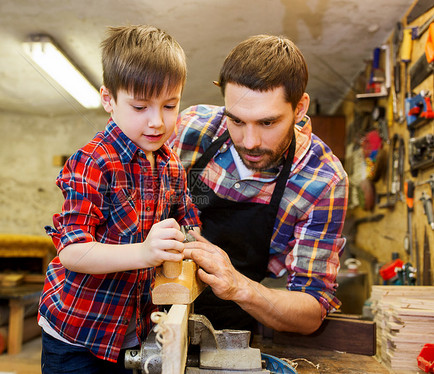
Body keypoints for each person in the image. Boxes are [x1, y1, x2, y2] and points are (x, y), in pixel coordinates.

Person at [38, 25, 200, 374]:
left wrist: (190, 245)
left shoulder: (171, 166)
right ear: (108, 99)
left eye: (169, 105)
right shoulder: (92, 161)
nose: (157, 121)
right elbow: (72, 251)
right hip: (77, 335)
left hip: (134, 335)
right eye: (140, 106)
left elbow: (191, 228)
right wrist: (145, 252)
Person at [172, 34, 348, 335]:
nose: (250, 142)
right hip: (156, 311)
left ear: (300, 108)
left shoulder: (322, 182)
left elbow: (311, 311)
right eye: (237, 121)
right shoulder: (191, 129)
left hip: (232, 328)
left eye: (267, 123)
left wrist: (238, 285)